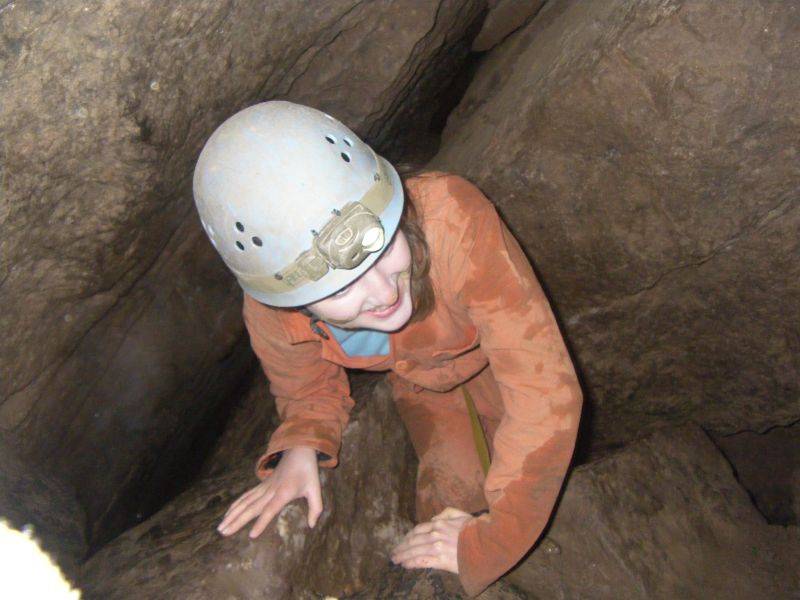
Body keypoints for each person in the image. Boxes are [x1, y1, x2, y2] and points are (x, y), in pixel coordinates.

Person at [193, 100, 582, 596]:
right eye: (338, 289)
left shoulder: (452, 220)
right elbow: (308, 386)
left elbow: (543, 391)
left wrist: (492, 542)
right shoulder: (272, 313)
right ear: (291, 299)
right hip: (424, 385)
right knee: (445, 517)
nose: (382, 292)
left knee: (519, 495)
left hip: (494, 359)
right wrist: (302, 443)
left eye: (381, 245)